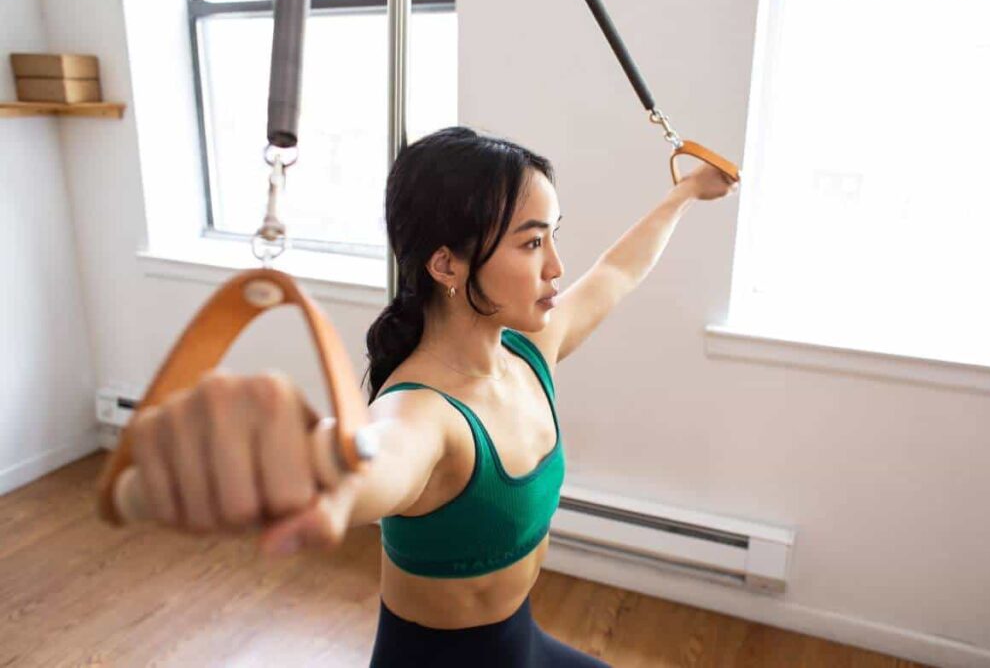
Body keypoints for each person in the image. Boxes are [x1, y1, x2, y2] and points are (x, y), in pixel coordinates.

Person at [124, 126, 735, 666]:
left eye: (553, 236)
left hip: (518, 644)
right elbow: (370, 463)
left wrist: (685, 191)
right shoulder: (421, 413)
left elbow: (616, 272)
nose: (556, 266)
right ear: (446, 266)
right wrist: (293, 466)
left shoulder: (529, 352)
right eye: (531, 243)